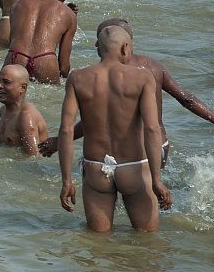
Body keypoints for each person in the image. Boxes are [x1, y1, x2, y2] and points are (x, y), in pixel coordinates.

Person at [41, 18, 214, 169]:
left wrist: (60, 141)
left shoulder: (101, 76)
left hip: (129, 153)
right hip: (159, 146)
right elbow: (186, 99)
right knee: (150, 194)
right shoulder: (153, 66)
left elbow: (98, 119)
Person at [57, 25, 170, 232]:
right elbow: (152, 129)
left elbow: (66, 130)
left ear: (98, 48)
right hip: (134, 168)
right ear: (126, 48)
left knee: (98, 244)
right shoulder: (143, 78)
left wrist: (66, 180)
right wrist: (156, 179)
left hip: (95, 169)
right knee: (148, 243)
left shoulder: (78, 77)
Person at [3, 0, 75, 84]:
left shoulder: (17, 5)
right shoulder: (67, 13)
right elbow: (64, 67)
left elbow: (12, 40)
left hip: (16, 57)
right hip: (46, 60)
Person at [0, 64, 49, 156]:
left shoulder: (26, 118)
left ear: (22, 88)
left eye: (6, 82)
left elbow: (34, 158)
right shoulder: (3, 111)